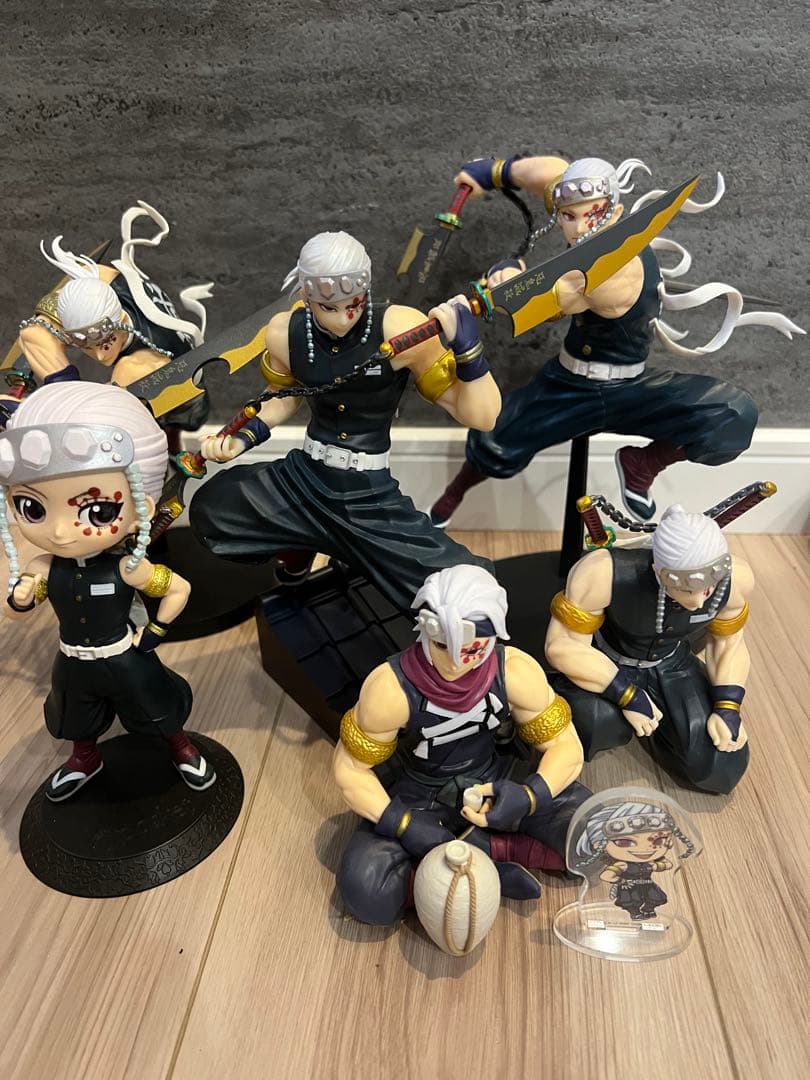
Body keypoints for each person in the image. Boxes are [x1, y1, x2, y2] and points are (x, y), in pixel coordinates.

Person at [429, 154, 803, 524]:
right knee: (496, 438)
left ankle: (643, 464)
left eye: (590, 215)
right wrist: (493, 171)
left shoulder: (611, 274)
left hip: (630, 389)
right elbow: (552, 172)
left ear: (617, 211)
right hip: (568, 386)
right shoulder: (585, 226)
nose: (578, 228)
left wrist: (507, 277)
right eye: (568, 216)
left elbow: (543, 298)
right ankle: (454, 493)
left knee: (731, 414)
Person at [189, 230, 502, 613]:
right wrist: (241, 439)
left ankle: (332, 544)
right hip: (304, 478)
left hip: (366, 493)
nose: (342, 318)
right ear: (306, 295)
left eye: (353, 305)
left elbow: (483, 417)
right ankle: (300, 544)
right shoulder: (284, 332)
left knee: (462, 590)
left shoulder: (401, 329)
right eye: (328, 307)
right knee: (213, 509)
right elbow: (281, 398)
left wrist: (469, 351)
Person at [333, 564, 590, 925]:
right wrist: (403, 824)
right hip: (418, 795)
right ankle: (484, 862)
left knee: (590, 834)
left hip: (495, 780)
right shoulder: (390, 690)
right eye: (442, 645)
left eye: (470, 650)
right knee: (367, 889)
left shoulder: (515, 672)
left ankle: (484, 852)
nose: (454, 662)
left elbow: (565, 745)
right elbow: (349, 770)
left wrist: (529, 795)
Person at [0, 382, 216, 801]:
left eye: (97, 511)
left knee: (155, 706)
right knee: (73, 715)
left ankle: (181, 748)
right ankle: (85, 757)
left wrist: (154, 632)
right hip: (72, 659)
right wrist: (20, 598)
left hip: (123, 656)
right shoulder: (45, 566)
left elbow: (178, 589)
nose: (60, 531)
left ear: (141, 509)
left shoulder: (127, 567)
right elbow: (17, 606)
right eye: (33, 508)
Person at [545, 503, 752, 794]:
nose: (698, 602)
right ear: (659, 571)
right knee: (596, 722)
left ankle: (666, 736)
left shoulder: (735, 580)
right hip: (608, 659)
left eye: (708, 589)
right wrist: (626, 694)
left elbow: (729, 643)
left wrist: (728, 704)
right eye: (686, 589)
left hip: (672, 662)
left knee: (721, 766)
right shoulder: (604, 573)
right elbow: (563, 644)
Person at [13, 201, 213, 444]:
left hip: (183, 401)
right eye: (85, 345)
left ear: (119, 323)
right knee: (35, 331)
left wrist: (64, 409)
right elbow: (35, 331)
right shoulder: (97, 279)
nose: (99, 355)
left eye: (105, 343)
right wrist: (64, 386)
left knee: (125, 396)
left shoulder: (145, 360)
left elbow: (107, 418)